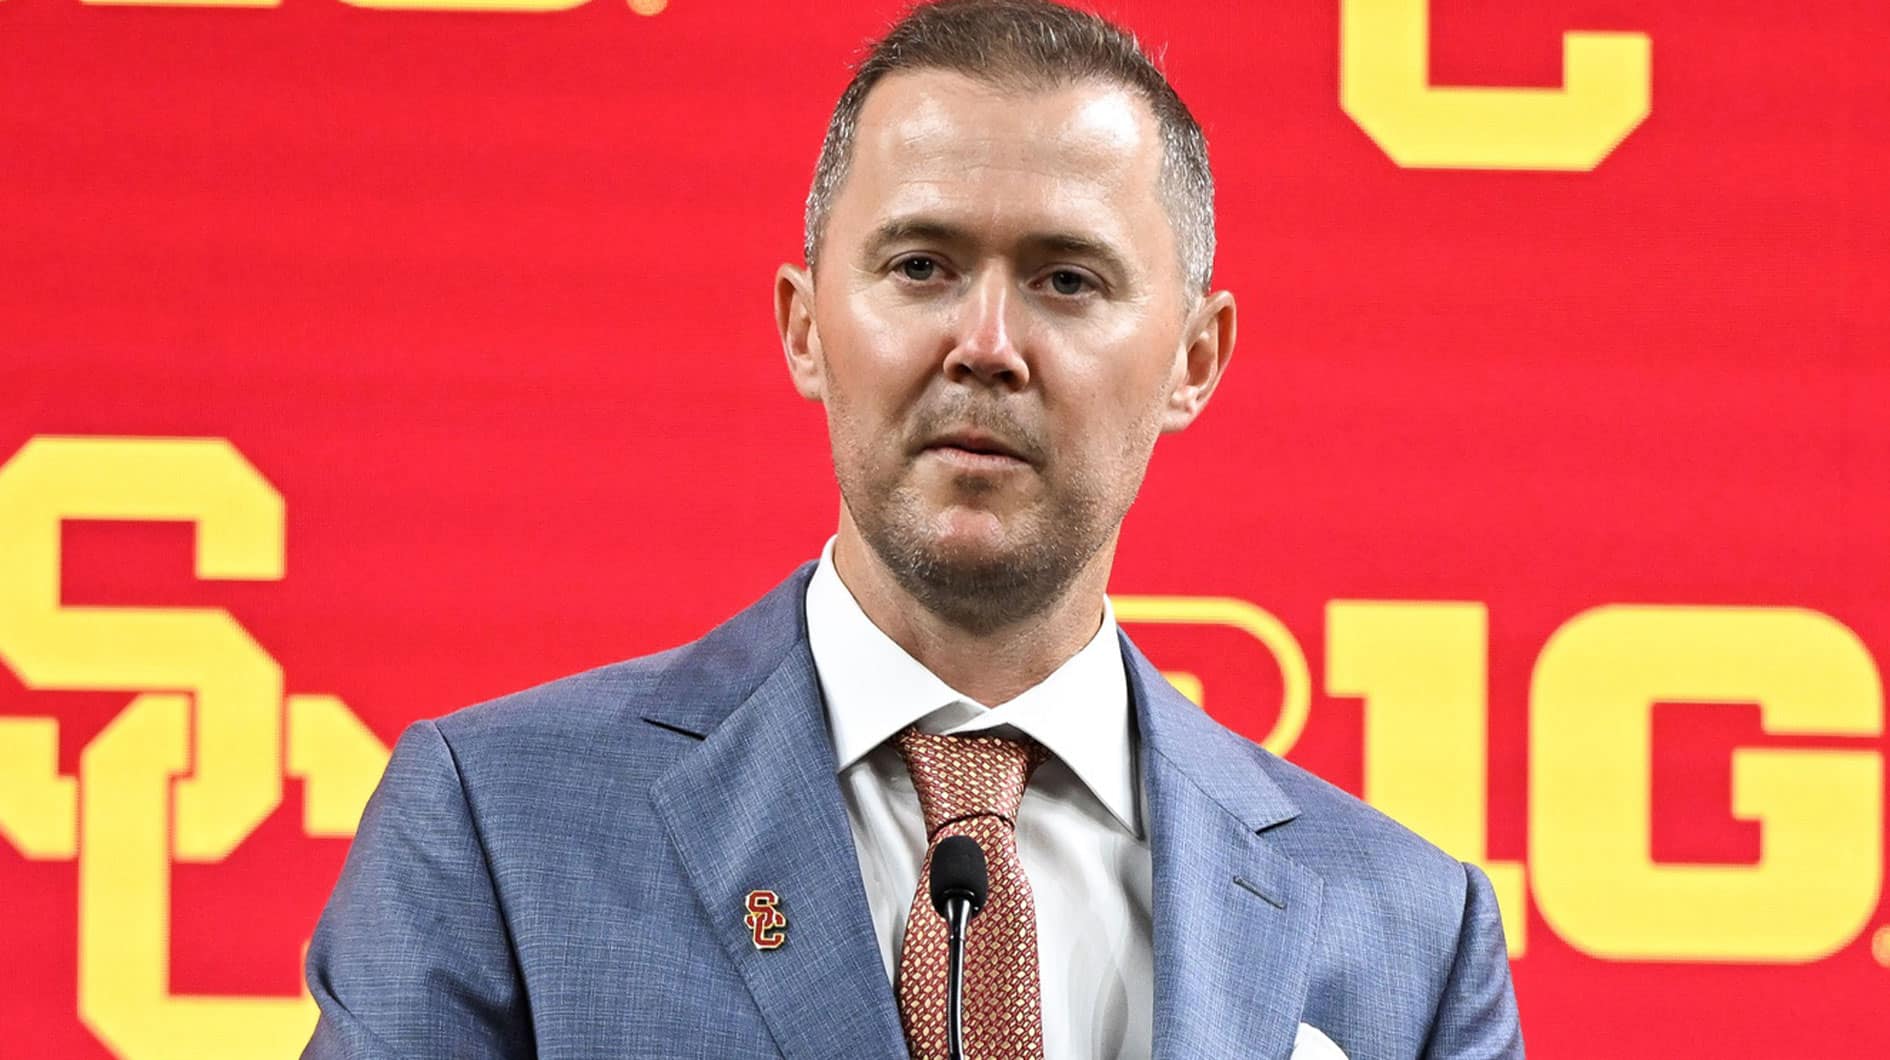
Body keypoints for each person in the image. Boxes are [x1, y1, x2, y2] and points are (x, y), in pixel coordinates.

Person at [301, 1, 1523, 1057]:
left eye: (1068, 279)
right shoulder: (503, 826)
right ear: (803, 328)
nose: (985, 345)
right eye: (922, 265)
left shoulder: (1406, 936)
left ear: (1195, 360)